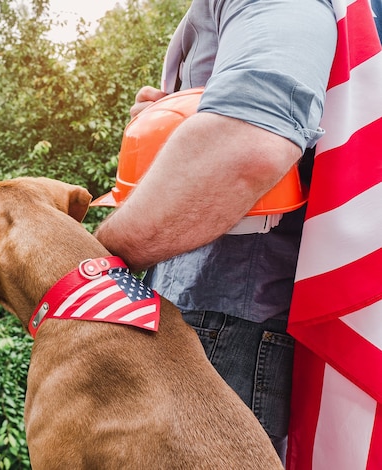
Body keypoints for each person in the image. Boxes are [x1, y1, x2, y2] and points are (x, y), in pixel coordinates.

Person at [94, 0, 337, 464]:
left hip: (226, 329)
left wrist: (96, 264)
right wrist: (167, 122)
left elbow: (249, 145)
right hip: (217, 321)